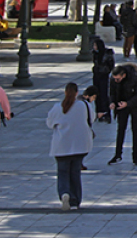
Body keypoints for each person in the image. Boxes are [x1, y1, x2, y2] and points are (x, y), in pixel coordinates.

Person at [46, 82, 93, 211]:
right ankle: (75, 200)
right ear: (77, 93)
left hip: (61, 146)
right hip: (80, 145)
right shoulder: (84, 105)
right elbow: (91, 119)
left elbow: (50, 124)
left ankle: (64, 193)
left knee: (62, 173)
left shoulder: (58, 107)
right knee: (75, 173)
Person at [108, 63, 137, 165]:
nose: (116, 81)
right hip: (121, 105)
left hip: (135, 106)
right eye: (114, 79)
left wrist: (128, 103)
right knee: (121, 129)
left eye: (118, 79)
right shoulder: (113, 80)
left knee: (135, 129)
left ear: (123, 75)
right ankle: (117, 154)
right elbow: (112, 92)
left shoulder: (134, 77)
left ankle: (135, 156)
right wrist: (112, 102)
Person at [91, 37, 115, 123]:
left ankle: (106, 114)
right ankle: (99, 113)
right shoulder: (95, 54)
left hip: (103, 76)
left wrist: (105, 71)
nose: (94, 47)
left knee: (104, 95)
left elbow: (111, 65)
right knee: (96, 95)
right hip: (96, 76)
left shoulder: (107, 54)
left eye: (95, 45)